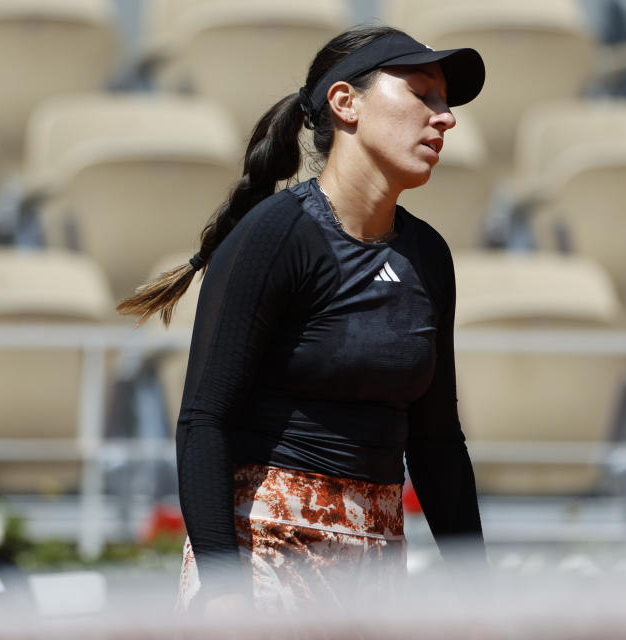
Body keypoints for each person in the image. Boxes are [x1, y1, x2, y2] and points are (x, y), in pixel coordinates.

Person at [118, 25, 488, 614]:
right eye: (423, 94)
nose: (444, 118)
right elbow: (203, 420)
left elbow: (437, 440)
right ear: (346, 104)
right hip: (263, 557)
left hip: (377, 569)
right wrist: (223, 589)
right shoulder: (275, 235)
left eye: (445, 102)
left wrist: (480, 593)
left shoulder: (429, 256)